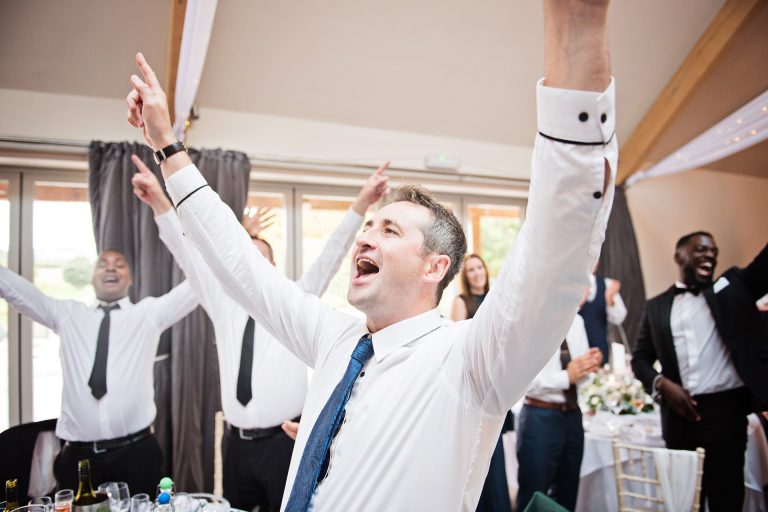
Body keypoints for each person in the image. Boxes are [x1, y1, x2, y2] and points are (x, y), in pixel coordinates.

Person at [125, 0, 617, 507]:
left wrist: (575, 28)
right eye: (368, 226)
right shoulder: (333, 338)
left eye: (390, 230)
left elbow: (552, 258)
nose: (365, 237)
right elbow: (238, 263)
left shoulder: (469, 360)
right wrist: (166, 143)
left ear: (435, 266)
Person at [131, 157, 389, 512]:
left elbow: (330, 256)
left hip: (282, 442)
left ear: (271, 268)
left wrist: (361, 204)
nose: (250, 264)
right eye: (246, 256)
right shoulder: (221, 303)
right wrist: (161, 202)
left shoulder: (295, 302)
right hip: (235, 445)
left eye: (261, 256)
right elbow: (188, 252)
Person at [0, 251, 198, 494]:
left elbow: (198, 285)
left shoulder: (148, 314)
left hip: (136, 454)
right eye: (103, 264)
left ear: (130, 279)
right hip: (78, 458)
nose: (111, 269)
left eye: (120, 265)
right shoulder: (67, 314)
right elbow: (14, 290)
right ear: (93, 277)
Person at [632, 233, 768, 511]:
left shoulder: (732, 291)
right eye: (702, 249)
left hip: (726, 414)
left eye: (714, 251)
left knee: (726, 500)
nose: (711, 255)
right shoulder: (656, 306)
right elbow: (640, 359)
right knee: (683, 501)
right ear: (679, 255)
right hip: (678, 416)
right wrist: (661, 384)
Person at [516, 304, 602, 511]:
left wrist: (588, 366)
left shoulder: (578, 321)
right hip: (539, 417)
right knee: (533, 494)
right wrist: (566, 377)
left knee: (567, 494)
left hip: (573, 417)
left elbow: (579, 377)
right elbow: (520, 379)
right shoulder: (529, 322)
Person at [451, 254, 512, 512]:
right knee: (476, 453)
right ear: (465, 277)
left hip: (497, 383)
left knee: (495, 457)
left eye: (479, 267)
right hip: (476, 384)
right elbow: (458, 344)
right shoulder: (461, 301)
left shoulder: (498, 299)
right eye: (471, 270)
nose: (477, 273)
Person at [578, 263, 626, 364]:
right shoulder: (571, 286)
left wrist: (609, 298)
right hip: (578, 353)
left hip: (601, 350)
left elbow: (619, 318)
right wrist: (580, 302)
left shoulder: (607, 284)